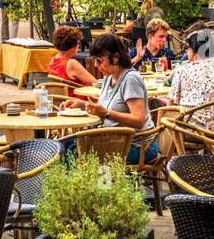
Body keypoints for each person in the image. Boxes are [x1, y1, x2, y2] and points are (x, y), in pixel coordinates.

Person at [64, 32, 157, 165]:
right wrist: (82, 104)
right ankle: (96, 184)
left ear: (116, 57)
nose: (96, 65)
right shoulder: (108, 77)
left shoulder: (130, 79)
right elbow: (104, 107)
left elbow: (139, 120)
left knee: (74, 151)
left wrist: (107, 113)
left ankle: (100, 184)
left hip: (139, 146)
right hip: (116, 140)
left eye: (100, 60)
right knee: (65, 145)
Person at [167, 31, 214, 129]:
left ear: (192, 50)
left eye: (187, 49)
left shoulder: (182, 69)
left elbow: (170, 105)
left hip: (188, 129)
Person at [46, 25, 98, 94]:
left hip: (62, 99)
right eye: (78, 43)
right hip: (78, 100)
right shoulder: (71, 64)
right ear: (72, 47)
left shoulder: (52, 61)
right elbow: (95, 83)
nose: (78, 46)